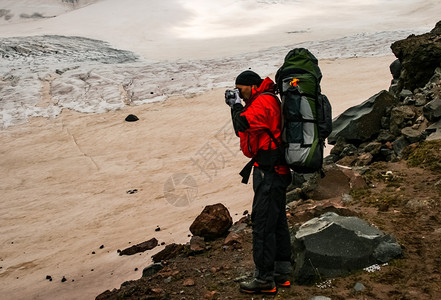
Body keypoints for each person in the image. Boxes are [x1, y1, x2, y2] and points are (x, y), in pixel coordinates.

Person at [225, 70, 292, 295]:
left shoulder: (263, 101)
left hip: (269, 172)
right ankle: (282, 273)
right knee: (277, 221)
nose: (240, 95)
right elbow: (246, 128)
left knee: (262, 225)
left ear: (252, 86)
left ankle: (264, 279)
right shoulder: (264, 99)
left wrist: (234, 106)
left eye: (241, 90)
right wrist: (239, 104)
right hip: (275, 169)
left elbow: (241, 124)